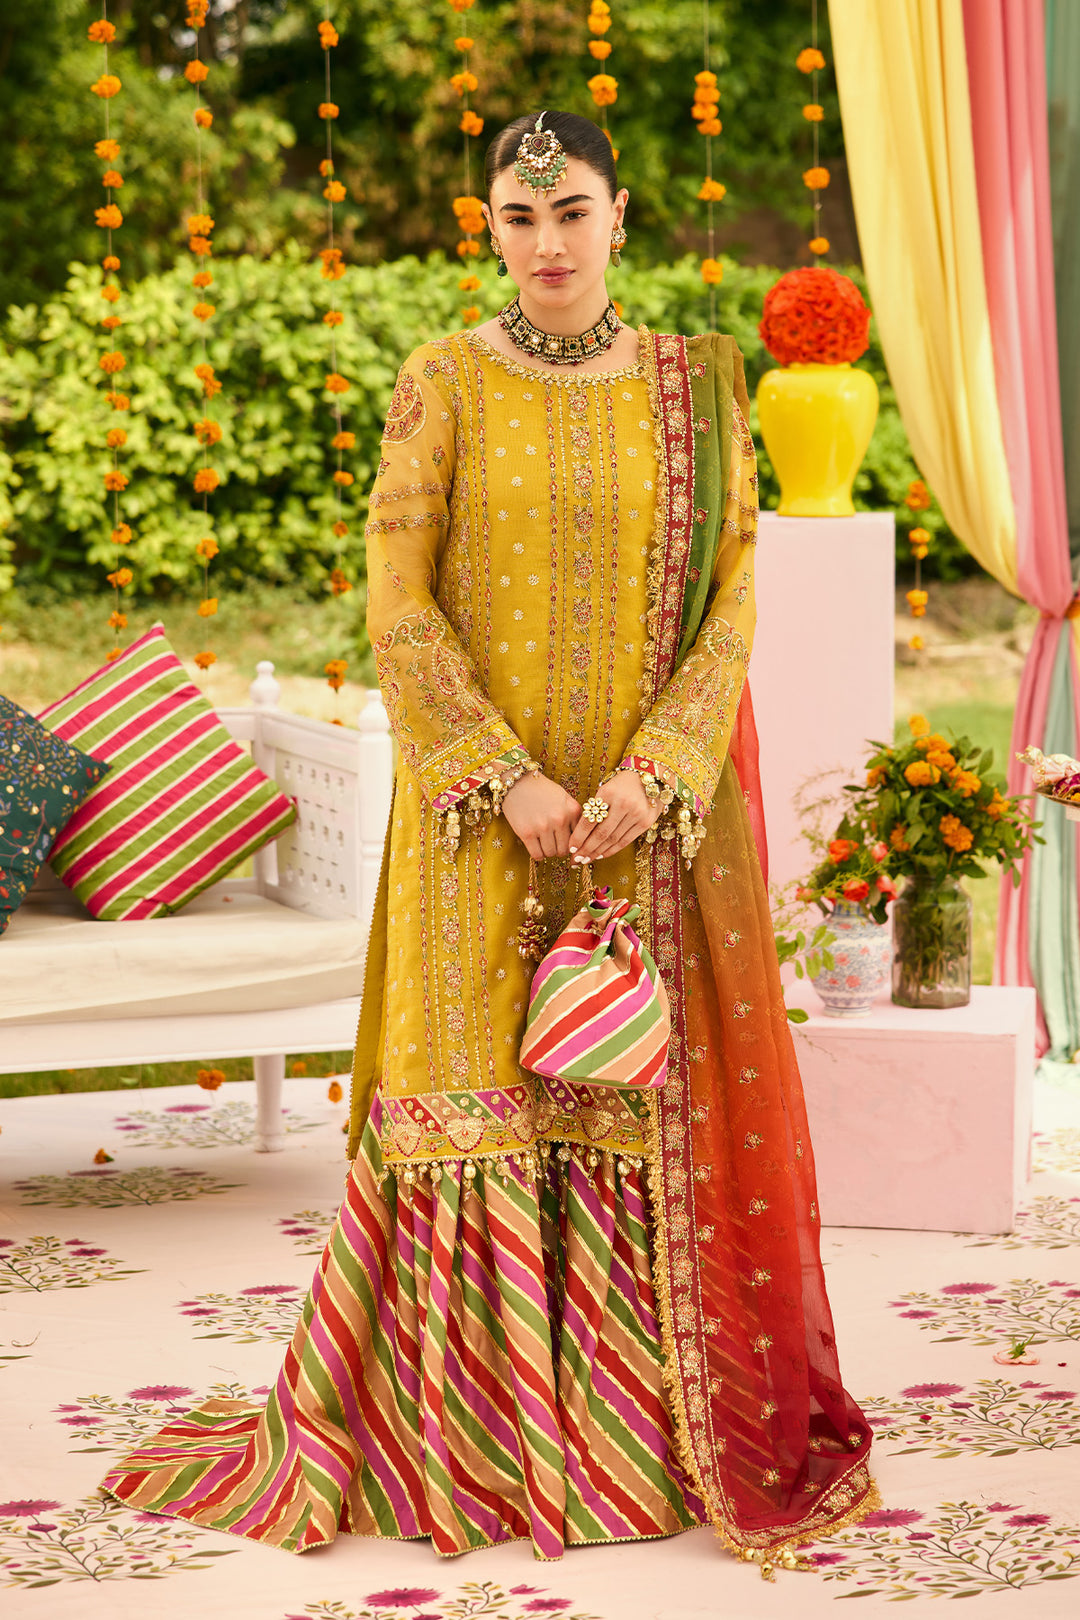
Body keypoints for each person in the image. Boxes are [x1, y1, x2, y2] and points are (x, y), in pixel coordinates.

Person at [102, 109, 876, 1572]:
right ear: (491, 229)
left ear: (620, 213)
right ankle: (458, 1437)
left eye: (572, 211)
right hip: (479, 826)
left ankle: (638, 1434)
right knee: (478, 1097)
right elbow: (398, 605)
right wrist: (499, 775)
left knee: (617, 1091)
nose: (548, 243)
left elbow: (732, 607)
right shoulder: (441, 383)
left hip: (638, 825)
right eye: (520, 219)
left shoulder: (697, 390)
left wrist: (658, 773)